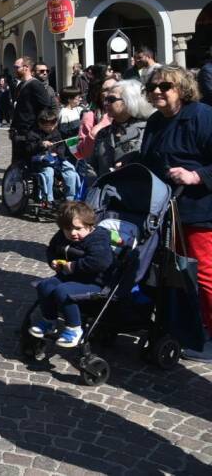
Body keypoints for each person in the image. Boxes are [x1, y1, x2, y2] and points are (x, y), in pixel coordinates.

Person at [139, 65, 212, 361]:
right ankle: (188, 325)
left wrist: (198, 176)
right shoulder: (156, 121)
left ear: (181, 89)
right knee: (176, 273)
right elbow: (150, 158)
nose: (157, 91)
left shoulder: (202, 116)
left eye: (164, 86)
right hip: (166, 211)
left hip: (198, 210)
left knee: (205, 274)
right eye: (152, 87)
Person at [29, 201, 113, 348]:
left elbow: (100, 262)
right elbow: (52, 249)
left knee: (63, 291)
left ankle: (74, 329)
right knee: (45, 286)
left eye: (78, 228)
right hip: (68, 276)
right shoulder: (62, 235)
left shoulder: (98, 238)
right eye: (68, 229)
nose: (73, 233)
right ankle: (49, 321)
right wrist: (53, 261)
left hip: (94, 281)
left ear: (90, 225)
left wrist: (74, 266)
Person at [12, 109, 80, 206]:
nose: (50, 129)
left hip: (57, 160)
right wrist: (41, 145)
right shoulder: (32, 134)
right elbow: (29, 149)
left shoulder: (56, 133)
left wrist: (58, 153)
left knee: (71, 172)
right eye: (47, 127)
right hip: (40, 162)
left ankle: (70, 198)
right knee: (48, 172)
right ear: (40, 124)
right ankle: (48, 198)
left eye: (52, 126)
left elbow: (61, 146)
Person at [87, 79, 151, 178]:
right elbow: (93, 166)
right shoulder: (103, 133)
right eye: (106, 99)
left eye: (111, 99)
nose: (106, 103)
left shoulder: (147, 130)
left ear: (129, 100)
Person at [10, 57, 56, 156]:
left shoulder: (36, 85)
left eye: (16, 67)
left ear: (26, 67)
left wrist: (38, 129)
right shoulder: (20, 85)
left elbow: (45, 106)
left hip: (29, 132)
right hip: (18, 132)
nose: (14, 69)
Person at [75, 75, 119, 162]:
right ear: (100, 95)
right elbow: (82, 152)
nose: (110, 93)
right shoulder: (90, 117)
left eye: (114, 88)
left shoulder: (130, 115)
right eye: (105, 90)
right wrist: (97, 129)